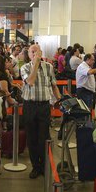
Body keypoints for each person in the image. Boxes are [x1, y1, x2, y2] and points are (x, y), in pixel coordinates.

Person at [21, 44, 61, 179]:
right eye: (32, 52)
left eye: (36, 51)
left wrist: (59, 99)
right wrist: (36, 64)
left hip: (44, 106)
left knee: (43, 137)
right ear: (29, 54)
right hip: (30, 105)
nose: (34, 54)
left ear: (41, 52)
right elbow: (30, 81)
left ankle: (44, 166)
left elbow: (53, 85)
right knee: (31, 137)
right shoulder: (25, 67)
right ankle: (35, 167)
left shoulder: (49, 67)